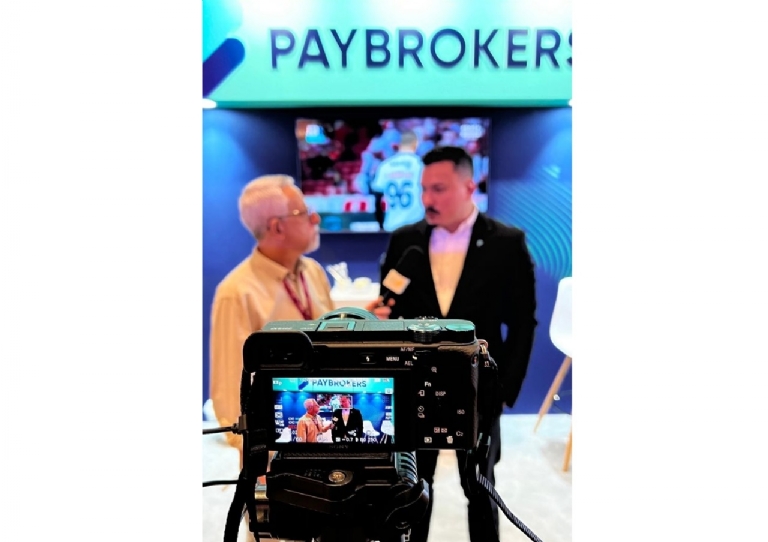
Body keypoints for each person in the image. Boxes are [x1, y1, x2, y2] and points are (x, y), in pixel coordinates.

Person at [368, 146, 537, 542]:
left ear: (469, 186)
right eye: (424, 188)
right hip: (413, 385)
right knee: (411, 486)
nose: (427, 199)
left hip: (479, 389)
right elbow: (389, 306)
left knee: (479, 486)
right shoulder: (404, 240)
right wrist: (380, 318)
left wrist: (504, 391)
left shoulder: (507, 242)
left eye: (439, 189)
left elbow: (522, 324)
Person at [208, 174, 335, 457]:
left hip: (325, 440)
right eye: (304, 212)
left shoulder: (313, 272)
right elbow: (231, 397)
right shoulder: (237, 292)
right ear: (277, 227)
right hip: (276, 458)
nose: (315, 218)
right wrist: (261, 461)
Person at [369, 130, 424, 232]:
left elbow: (377, 200)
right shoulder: (420, 165)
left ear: (399, 144)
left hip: (392, 226)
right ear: (416, 144)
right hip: (416, 227)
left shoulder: (385, 166)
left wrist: (381, 225)